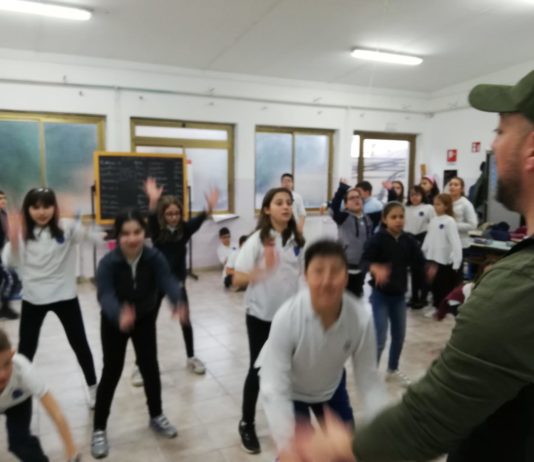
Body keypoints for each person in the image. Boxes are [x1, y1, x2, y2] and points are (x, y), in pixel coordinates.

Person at [281, 68, 534, 462]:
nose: (492, 143)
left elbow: (425, 422)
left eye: (501, 131)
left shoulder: (519, 288)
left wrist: (343, 447)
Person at [258, 240, 387, 456]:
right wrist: (289, 441)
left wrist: (385, 429)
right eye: (318, 271)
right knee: (294, 455)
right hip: (291, 390)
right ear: (306, 276)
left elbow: (369, 381)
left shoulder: (360, 319)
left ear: (346, 277)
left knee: (347, 451)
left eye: (335, 271)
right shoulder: (287, 317)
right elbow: (274, 386)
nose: (327, 281)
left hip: (330, 388)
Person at [91, 209, 186, 459]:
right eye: (126, 233)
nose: (132, 238)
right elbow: (105, 295)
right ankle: (99, 428)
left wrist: (176, 300)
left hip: (144, 317)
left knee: (149, 366)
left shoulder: (154, 257)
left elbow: (167, 280)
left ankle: (156, 415)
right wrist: (118, 313)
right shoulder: (108, 263)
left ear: (144, 233)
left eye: (137, 232)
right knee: (111, 371)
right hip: (114, 322)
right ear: (117, 235)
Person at [1, 188, 98, 409]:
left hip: (65, 296)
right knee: (26, 350)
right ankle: (18, 391)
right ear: (28, 209)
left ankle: (93, 387)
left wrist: (82, 226)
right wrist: (14, 240)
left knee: (80, 343)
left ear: (54, 208)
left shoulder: (66, 228)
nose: (42, 212)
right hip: (34, 299)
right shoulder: (23, 233)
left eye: (47, 206)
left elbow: (92, 238)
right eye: (36, 207)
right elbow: (9, 261)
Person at [234, 187, 305, 454]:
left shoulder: (297, 239)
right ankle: (246, 423)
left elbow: (303, 273)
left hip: (289, 317)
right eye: (279, 203)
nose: (286, 207)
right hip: (260, 316)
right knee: (257, 370)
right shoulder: (258, 240)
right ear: (267, 209)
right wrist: (262, 271)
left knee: (290, 371)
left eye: (289, 202)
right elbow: (236, 278)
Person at [132, 177, 218, 382]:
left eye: (177, 213)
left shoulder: (184, 229)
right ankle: (140, 365)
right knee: (147, 323)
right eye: (169, 214)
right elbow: (151, 215)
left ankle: (191, 357)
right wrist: (153, 200)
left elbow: (200, 219)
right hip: (155, 283)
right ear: (163, 215)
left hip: (177, 283)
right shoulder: (156, 230)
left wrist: (209, 207)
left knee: (185, 319)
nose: (173, 217)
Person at [362, 201, 426, 387]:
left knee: (399, 336)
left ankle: (393, 369)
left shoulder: (408, 240)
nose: (398, 220)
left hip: (399, 296)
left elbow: (419, 261)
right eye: (394, 217)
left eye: (401, 216)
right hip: (380, 296)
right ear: (384, 219)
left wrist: (428, 268)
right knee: (380, 338)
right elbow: (363, 261)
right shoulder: (377, 240)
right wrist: (374, 267)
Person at [0, 328, 80, 462]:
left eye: (7, 364)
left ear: (12, 354)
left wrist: (72, 452)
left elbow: (56, 413)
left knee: (19, 443)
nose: (2, 374)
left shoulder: (23, 369)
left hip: (17, 402)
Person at [329, 179, 373, 297]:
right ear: (346, 204)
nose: (356, 200)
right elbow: (333, 208)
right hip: (346, 265)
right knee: (345, 296)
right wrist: (341, 189)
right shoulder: (343, 217)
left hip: (362, 264)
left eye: (358, 197)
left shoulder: (367, 218)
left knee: (358, 292)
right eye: (352, 198)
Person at [422, 193, 463, 314]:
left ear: (446, 206)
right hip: (432, 258)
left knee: (443, 286)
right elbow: (429, 238)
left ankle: (442, 308)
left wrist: (456, 261)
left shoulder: (449, 221)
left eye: (438, 204)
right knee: (434, 285)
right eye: (434, 204)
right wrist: (423, 250)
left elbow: (455, 242)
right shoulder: (434, 220)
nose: (435, 207)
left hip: (444, 260)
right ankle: (436, 306)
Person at [404, 185, 435, 309]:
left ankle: (423, 298)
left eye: (417, 194)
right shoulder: (405, 208)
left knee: (423, 271)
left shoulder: (428, 208)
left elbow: (433, 225)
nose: (414, 197)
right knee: (413, 271)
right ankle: (414, 297)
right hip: (409, 240)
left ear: (422, 195)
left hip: (424, 240)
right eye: (412, 195)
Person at [0, 190, 19, 320]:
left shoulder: (4, 214)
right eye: (0, 198)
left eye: (4, 198)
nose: (3, 200)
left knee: (12, 278)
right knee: (10, 278)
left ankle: (5, 308)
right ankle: (5, 308)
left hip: (2, 253)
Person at [448, 176, 478, 249]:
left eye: (456, 185)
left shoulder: (466, 204)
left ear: (462, 189)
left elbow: (473, 225)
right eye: (450, 184)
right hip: (446, 243)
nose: (452, 187)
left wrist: (452, 225)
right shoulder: (446, 201)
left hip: (460, 243)